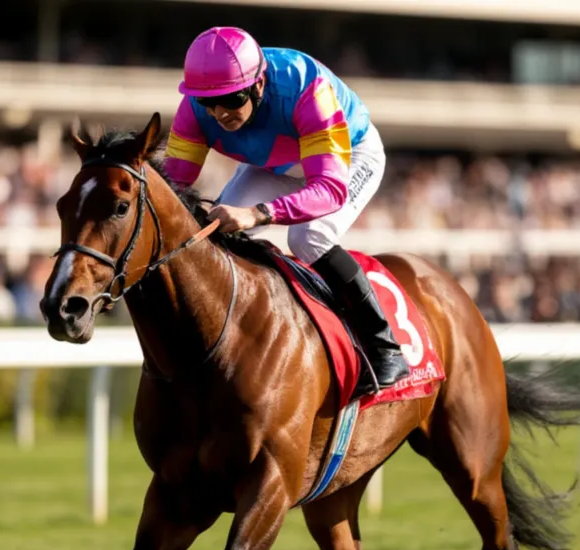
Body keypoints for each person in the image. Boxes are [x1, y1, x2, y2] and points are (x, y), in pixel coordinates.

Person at [160, 26, 410, 390]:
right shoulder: (195, 110)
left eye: (231, 99)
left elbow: (328, 190)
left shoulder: (306, 89)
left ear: (258, 85)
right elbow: (172, 187)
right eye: (208, 103)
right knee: (217, 234)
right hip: (275, 165)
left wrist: (257, 213)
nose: (219, 113)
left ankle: (384, 346)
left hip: (348, 156)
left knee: (309, 237)